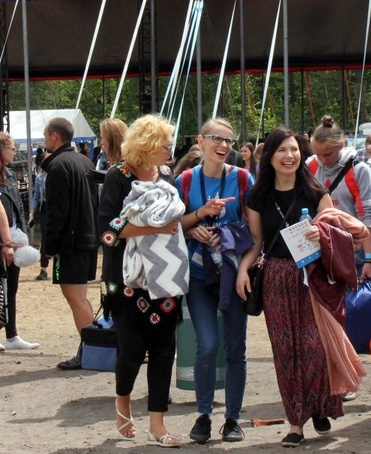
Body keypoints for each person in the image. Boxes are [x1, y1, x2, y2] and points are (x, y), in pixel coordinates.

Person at [236, 126, 344, 448]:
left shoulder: (315, 192)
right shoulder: (258, 196)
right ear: (270, 156)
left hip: (312, 278)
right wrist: (243, 270)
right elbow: (256, 243)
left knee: (314, 347)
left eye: (295, 149)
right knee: (285, 352)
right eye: (283, 150)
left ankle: (319, 404)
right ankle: (296, 422)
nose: (290, 156)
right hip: (277, 278)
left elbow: (336, 236)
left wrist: (320, 235)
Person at [98, 114, 183, 447]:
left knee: (164, 350)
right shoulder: (118, 177)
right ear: (148, 146)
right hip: (124, 280)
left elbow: (174, 221)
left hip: (164, 278)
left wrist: (198, 216)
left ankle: (157, 425)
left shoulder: (166, 175)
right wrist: (153, 229)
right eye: (165, 145)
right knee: (131, 350)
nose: (170, 151)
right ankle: (123, 402)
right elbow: (108, 232)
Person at [176, 118, 252, 444]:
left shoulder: (244, 179)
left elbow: (256, 229)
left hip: (233, 275)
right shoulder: (185, 180)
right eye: (216, 139)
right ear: (201, 141)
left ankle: (232, 419)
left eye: (229, 141)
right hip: (197, 274)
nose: (223, 146)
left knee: (235, 348)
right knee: (207, 344)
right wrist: (195, 221)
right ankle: (204, 415)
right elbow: (170, 225)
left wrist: (230, 237)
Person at [41, 117, 98, 370]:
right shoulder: (85, 161)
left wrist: (49, 246)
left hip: (71, 243)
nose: (44, 141)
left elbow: (57, 212)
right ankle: (91, 348)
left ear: (55, 136)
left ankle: (91, 350)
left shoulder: (57, 166)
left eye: (45, 136)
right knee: (80, 297)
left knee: (75, 297)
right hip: (88, 238)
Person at [308, 115, 371, 283]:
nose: (323, 159)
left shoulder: (359, 170)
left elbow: (365, 215)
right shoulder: (310, 166)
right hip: (319, 250)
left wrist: (369, 259)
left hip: (352, 251)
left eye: (328, 154)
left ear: (341, 145)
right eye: (318, 154)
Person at [0, 132, 40, 351]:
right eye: (12, 148)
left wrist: (22, 237)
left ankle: (12, 335)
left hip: (14, 240)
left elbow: (19, 207)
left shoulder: (10, 175)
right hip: (4, 241)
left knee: (11, 288)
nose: (14, 152)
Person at [29, 149, 49, 281]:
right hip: (45, 209)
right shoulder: (40, 178)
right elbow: (36, 196)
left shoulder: (59, 174)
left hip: (58, 209)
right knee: (45, 239)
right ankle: (44, 269)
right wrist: (32, 213)